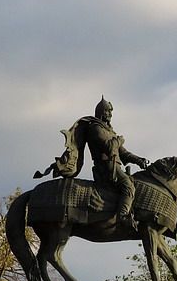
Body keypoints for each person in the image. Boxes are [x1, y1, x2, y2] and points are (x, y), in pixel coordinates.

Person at [34, 97, 149, 229]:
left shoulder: (109, 131)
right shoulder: (95, 128)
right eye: (108, 111)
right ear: (101, 112)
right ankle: (122, 216)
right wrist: (119, 140)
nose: (110, 114)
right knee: (128, 186)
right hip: (106, 170)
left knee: (135, 182)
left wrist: (140, 160)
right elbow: (110, 148)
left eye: (111, 112)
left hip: (115, 169)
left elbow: (123, 153)